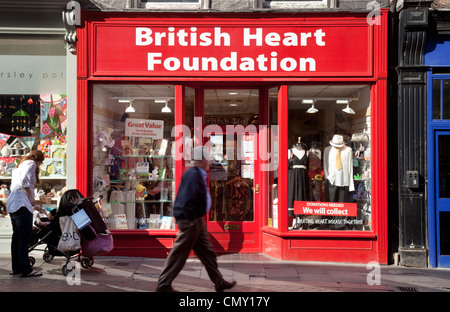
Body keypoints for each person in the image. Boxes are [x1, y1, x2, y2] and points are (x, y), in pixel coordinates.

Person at [156, 145, 237, 292]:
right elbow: (186, 199)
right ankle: (163, 285)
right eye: (207, 159)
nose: (210, 162)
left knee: (207, 252)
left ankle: (219, 282)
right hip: (190, 220)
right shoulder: (193, 175)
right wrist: (190, 219)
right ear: (200, 160)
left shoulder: (197, 173)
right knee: (179, 254)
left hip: (196, 219)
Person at [7, 150, 45, 277]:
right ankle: (26, 269)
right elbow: (24, 182)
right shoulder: (31, 164)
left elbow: (18, 185)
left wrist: (32, 203)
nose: (39, 166)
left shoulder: (20, 165)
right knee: (24, 238)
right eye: (41, 163)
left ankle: (17, 267)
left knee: (17, 237)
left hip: (14, 204)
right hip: (22, 204)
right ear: (39, 160)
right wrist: (31, 198)